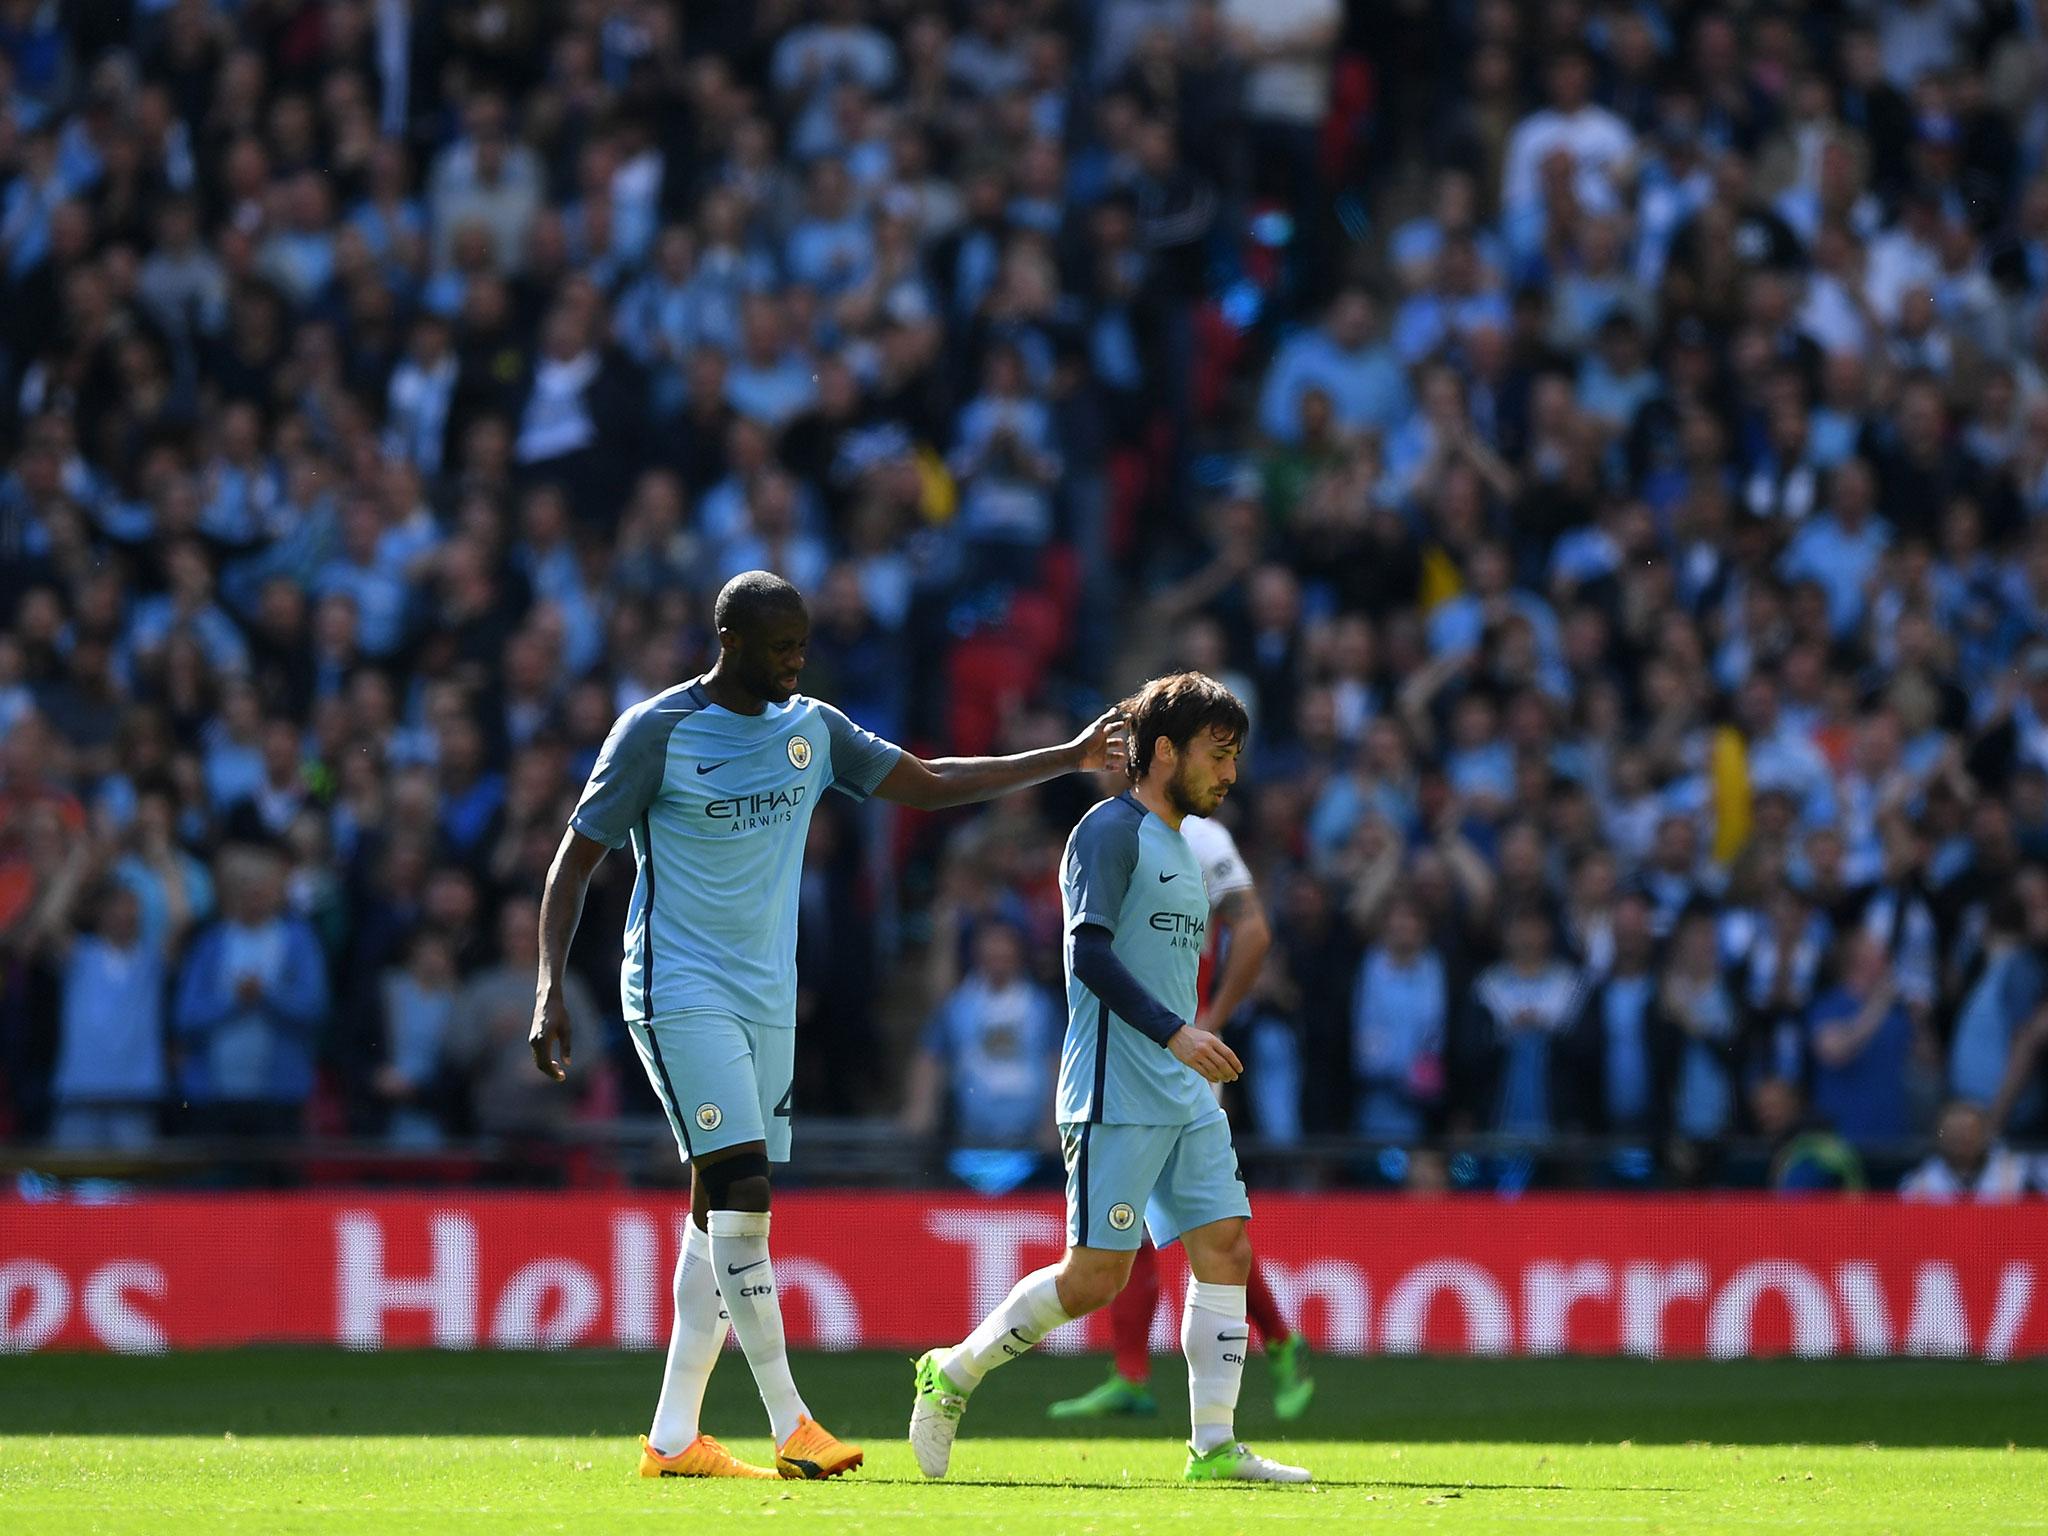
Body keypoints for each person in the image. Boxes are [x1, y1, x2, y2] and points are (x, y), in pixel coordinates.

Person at [532, 570, 1127, 1481]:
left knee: (715, 1214)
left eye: (803, 644)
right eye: (781, 646)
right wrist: (548, 987)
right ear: (728, 640)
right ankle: (791, 1422)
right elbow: (576, 861)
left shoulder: (810, 727)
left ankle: (672, 1438)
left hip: (769, 999)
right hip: (677, 989)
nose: (797, 660)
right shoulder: (656, 732)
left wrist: (1068, 756)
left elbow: (927, 782)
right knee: (743, 1196)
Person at [912, 672, 1310, 1485]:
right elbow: (1086, 955)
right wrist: (1177, 1034)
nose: (1230, 774)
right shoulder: (1107, 831)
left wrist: (1187, 1047)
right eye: (1217, 754)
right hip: (1115, 1093)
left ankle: (1214, 1448)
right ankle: (952, 1373)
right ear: (1165, 752)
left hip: (1182, 1091)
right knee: (1095, 1279)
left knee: (1226, 1248)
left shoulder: (1182, 844)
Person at [1047, 806, 1315, 1421]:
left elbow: (1253, 932)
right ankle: (1134, 1373)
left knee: (1207, 1229)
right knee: (1142, 1225)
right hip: (1129, 1057)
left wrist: (1206, 1025)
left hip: (1178, 1057)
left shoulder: (1202, 837)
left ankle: (1273, 1340)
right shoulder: (1107, 833)